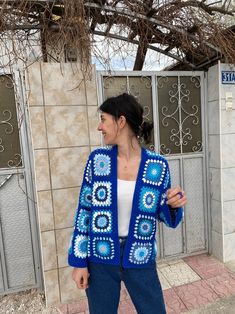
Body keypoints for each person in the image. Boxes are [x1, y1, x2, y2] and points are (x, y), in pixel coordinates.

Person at [68, 93, 186, 314]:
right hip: (100, 258)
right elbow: (85, 211)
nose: (99, 127)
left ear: (120, 121)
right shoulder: (98, 161)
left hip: (140, 257)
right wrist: (79, 261)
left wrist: (172, 204)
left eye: (103, 120)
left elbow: (163, 214)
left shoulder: (157, 166)